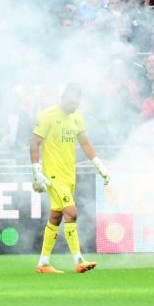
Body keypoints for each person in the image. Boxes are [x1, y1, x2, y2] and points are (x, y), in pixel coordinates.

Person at [30, 84, 110, 275]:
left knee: (56, 216)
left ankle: (43, 263)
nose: (74, 105)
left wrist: (99, 164)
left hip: (69, 175)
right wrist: (36, 171)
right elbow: (34, 143)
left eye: (77, 102)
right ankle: (79, 260)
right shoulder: (48, 115)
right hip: (53, 175)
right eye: (71, 101)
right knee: (71, 212)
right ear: (63, 96)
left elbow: (85, 143)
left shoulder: (77, 117)